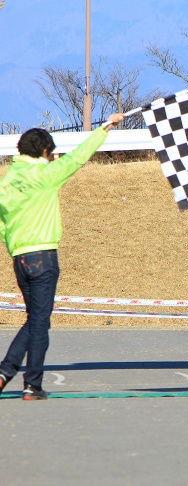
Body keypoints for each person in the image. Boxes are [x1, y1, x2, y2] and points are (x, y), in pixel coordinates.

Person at [0, 113, 125, 400]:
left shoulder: (6, 182)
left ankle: (5, 372)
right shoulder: (45, 175)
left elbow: (1, 223)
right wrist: (106, 127)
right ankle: (32, 384)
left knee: (33, 319)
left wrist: (13, 244)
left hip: (19, 257)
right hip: (43, 255)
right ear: (44, 152)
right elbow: (78, 157)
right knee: (41, 323)